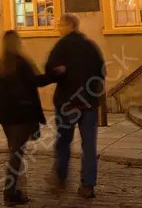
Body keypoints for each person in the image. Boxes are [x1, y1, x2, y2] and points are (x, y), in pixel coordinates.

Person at [0, 30, 56, 206]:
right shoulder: (21, 63)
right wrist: (56, 74)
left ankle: (17, 188)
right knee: (16, 155)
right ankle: (10, 191)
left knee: (15, 151)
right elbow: (37, 81)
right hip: (21, 115)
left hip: (6, 117)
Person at [44, 13, 105, 199]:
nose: (58, 28)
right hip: (88, 103)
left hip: (68, 103)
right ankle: (88, 184)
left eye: (60, 24)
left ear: (70, 25)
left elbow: (50, 71)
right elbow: (101, 73)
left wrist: (57, 74)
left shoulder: (62, 46)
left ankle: (61, 177)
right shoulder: (91, 46)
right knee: (89, 145)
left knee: (63, 142)